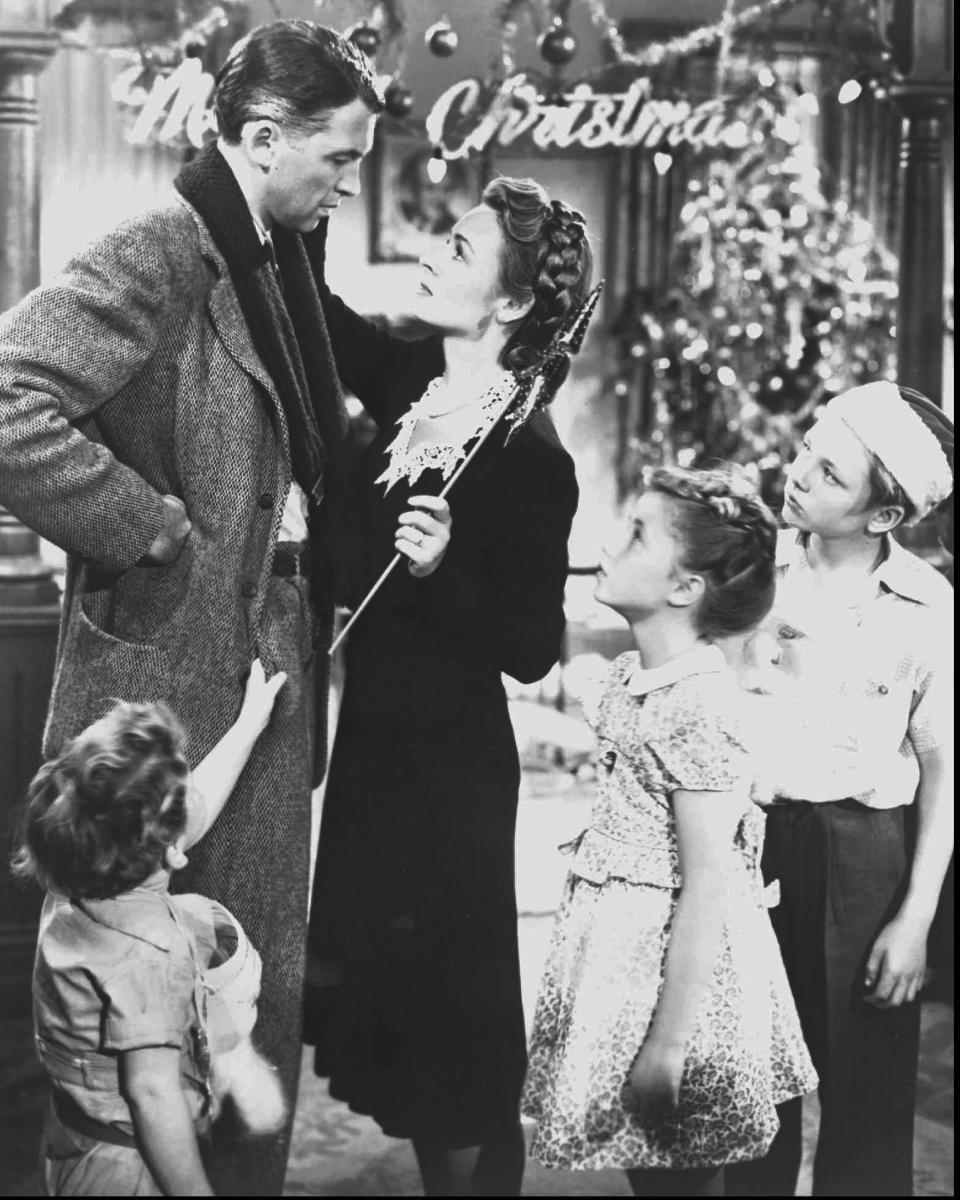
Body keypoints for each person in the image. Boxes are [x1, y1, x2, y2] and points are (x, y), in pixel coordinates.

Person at [0, 18, 408, 1194]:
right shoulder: (163, 249)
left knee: (242, 994)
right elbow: (11, 400)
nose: (345, 183)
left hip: (255, 674)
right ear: (264, 136)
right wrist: (149, 528)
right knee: (160, 1017)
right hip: (168, 682)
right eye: (336, 157)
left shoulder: (273, 247)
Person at [301, 176, 590, 1196]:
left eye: (458, 251)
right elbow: (318, 313)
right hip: (377, 753)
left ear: (510, 305)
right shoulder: (411, 370)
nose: (431, 254)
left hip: (450, 779)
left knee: (457, 1055)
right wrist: (307, 187)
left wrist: (445, 568)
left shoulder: (530, 458)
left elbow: (531, 646)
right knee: (409, 1045)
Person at [522, 467, 818, 1198]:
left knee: (678, 1173)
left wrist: (669, 1044)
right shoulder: (633, 676)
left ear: (685, 588)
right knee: (648, 1169)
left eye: (637, 534)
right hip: (619, 965)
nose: (608, 543)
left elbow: (710, 885)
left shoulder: (700, 708)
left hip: (678, 983)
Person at [725, 382, 955, 1198]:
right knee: (746, 1091)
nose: (797, 473)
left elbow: (943, 779)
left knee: (864, 1102)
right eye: (805, 449)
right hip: (742, 844)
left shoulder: (927, 612)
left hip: (863, 861)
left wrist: (915, 920)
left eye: (828, 474)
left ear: (884, 517)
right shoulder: (750, 570)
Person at [11, 660, 286, 1196]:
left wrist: (249, 723)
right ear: (174, 852)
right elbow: (153, 1098)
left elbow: (187, 816)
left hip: (73, 1138)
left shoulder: (75, 875)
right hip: (127, 1168)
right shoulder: (149, 960)